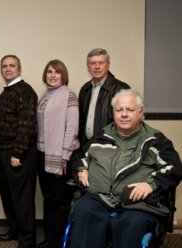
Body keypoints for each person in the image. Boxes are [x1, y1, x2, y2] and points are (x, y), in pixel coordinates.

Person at [70, 89, 182, 248]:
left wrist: (150, 184)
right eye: (119, 110)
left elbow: (174, 168)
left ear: (141, 112)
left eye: (130, 110)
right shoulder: (101, 136)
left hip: (135, 202)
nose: (124, 114)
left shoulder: (155, 141)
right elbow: (79, 156)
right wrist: (82, 168)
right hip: (100, 197)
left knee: (133, 222)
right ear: (113, 113)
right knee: (83, 208)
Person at [0, 55, 38, 248]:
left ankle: (27, 240)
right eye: (4, 66)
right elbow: (1, 124)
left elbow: (26, 125)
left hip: (18, 153)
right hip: (2, 152)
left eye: (12, 66)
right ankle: (15, 230)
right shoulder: (7, 91)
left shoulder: (25, 91)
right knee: (8, 195)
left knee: (22, 197)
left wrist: (17, 153)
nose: (7, 69)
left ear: (19, 69)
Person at [36, 60, 80, 248]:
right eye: (49, 72)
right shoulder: (44, 95)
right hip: (42, 153)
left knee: (62, 200)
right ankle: (50, 238)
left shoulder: (69, 95)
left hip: (61, 156)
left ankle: (61, 241)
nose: (53, 75)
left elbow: (72, 129)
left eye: (57, 72)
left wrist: (63, 157)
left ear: (63, 75)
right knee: (49, 198)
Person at [78, 48, 130, 147]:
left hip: (112, 149)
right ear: (88, 67)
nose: (97, 67)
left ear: (108, 65)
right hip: (86, 147)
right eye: (93, 63)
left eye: (101, 63)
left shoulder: (121, 89)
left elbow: (129, 124)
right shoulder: (85, 90)